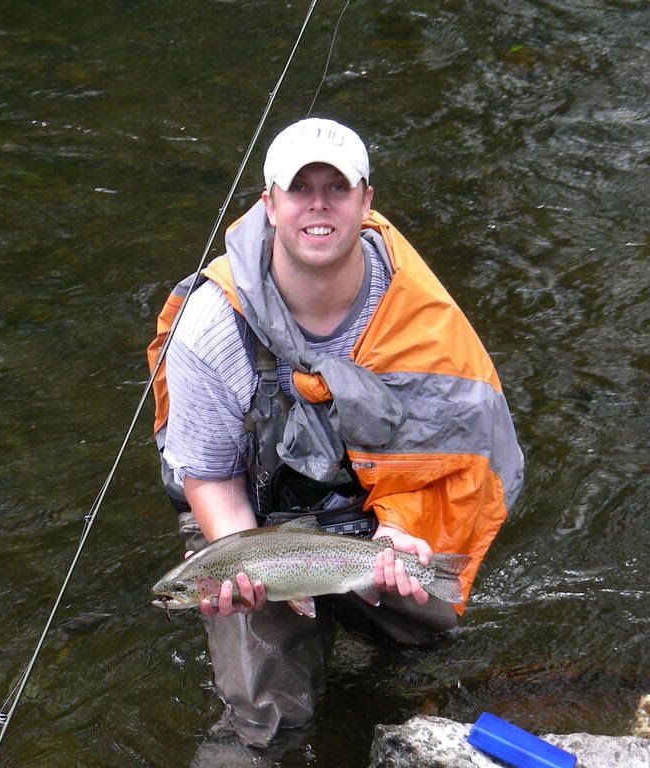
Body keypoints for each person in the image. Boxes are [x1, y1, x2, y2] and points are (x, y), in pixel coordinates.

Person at [146, 117, 524, 750]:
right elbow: (208, 476)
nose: (318, 204)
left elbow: (452, 451)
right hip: (250, 521)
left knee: (429, 645)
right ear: (269, 204)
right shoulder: (209, 324)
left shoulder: (419, 316)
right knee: (264, 724)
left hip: (377, 512)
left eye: (336, 188)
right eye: (299, 189)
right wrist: (241, 564)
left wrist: (400, 530)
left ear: (366, 201)